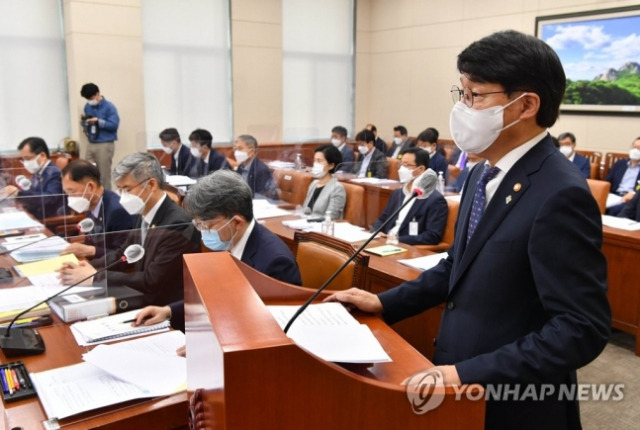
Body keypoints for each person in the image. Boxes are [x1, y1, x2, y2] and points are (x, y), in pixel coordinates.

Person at [327, 30, 610, 430]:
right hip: (459, 384)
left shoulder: (560, 193)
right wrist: (388, 304)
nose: (463, 107)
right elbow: (458, 267)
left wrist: (470, 373)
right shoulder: (481, 173)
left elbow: (581, 329)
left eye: (475, 95)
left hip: (513, 403)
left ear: (526, 104)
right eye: (460, 93)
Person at [134, 170, 302, 333]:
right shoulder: (230, 240)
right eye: (198, 225)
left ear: (237, 222)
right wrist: (169, 311)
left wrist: (212, 345)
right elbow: (216, 298)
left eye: (207, 225)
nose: (203, 232)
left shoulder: (276, 262)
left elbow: (271, 330)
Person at [57, 153, 201, 306]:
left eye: (127, 189)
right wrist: (88, 268)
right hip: (139, 296)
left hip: (162, 308)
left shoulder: (177, 224)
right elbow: (122, 255)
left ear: (151, 185)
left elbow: (151, 279)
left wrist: (95, 277)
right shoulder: (143, 212)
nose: (122, 196)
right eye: (120, 190)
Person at [60, 159, 134, 260]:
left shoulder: (117, 211)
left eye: (72, 192)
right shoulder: (91, 204)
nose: (69, 197)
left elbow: (123, 256)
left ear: (90, 187)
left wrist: (90, 250)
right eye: (66, 193)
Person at [372, 147, 447, 245]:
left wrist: (397, 239)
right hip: (383, 242)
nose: (401, 169)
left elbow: (432, 236)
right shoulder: (397, 193)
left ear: (420, 169)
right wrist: (377, 232)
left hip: (406, 247)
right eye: (401, 164)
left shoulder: (435, 200)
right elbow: (382, 219)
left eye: (406, 165)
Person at [1, 137, 63, 220]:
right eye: (23, 159)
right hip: (34, 214)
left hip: (46, 219)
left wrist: (19, 194)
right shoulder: (39, 171)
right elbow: (34, 193)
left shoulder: (54, 173)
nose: (26, 163)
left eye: (28, 159)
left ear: (42, 155)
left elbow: (49, 198)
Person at [80, 83, 119, 190]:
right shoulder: (87, 106)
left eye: (91, 98)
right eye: (87, 98)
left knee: (103, 175)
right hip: (91, 142)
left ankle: (106, 200)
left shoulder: (109, 107)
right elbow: (85, 123)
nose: (89, 100)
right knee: (87, 171)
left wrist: (98, 121)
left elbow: (114, 125)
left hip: (104, 144)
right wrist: (85, 122)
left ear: (97, 94)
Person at [303, 145, 346, 218]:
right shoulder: (314, 184)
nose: (315, 164)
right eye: (314, 161)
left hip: (321, 227)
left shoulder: (337, 189)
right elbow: (305, 210)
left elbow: (331, 218)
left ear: (331, 165)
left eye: (319, 161)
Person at [233, 134, 277, 199]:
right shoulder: (240, 167)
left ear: (252, 151)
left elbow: (261, 195)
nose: (236, 152)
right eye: (235, 149)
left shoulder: (261, 170)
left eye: (240, 148)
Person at [605, 137, 640, 215]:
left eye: (639, 148)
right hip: (614, 196)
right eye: (634, 147)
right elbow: (607, 181)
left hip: (631, 199)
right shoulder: (620, 163)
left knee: (614, 210)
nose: (635, 150)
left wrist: (634, 194)